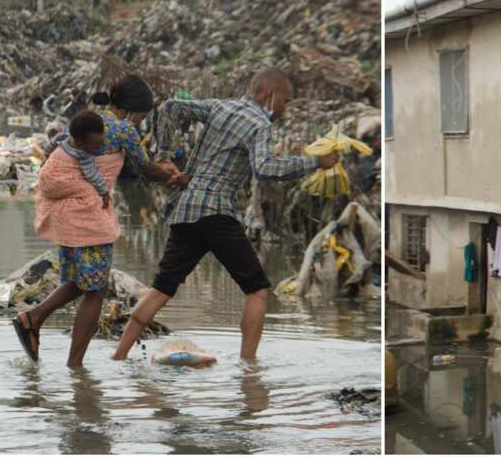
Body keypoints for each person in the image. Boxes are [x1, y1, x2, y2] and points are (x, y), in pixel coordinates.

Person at [111, 67, 337, 361]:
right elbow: (265, 169)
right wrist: (315, 163)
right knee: (257, 291)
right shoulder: (260, 125)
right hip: (216, 213)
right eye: (285, 101)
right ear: (267, 95)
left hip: (185, 211)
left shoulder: (220, 106)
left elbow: (171, 107)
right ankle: (249, 368)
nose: (285, 109)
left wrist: (164, 155)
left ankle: (118, 356)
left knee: (161, 289)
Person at [12, 75, 181, 367]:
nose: (141, 122)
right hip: (86, 217)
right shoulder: (123, 128)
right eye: (142, 115)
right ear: (131, 110)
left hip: (67, 216)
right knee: (96, 290)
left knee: (80, 282)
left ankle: (33, 318)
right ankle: (75, 367)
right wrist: (176, 178)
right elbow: (145, 169)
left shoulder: (89, 121)